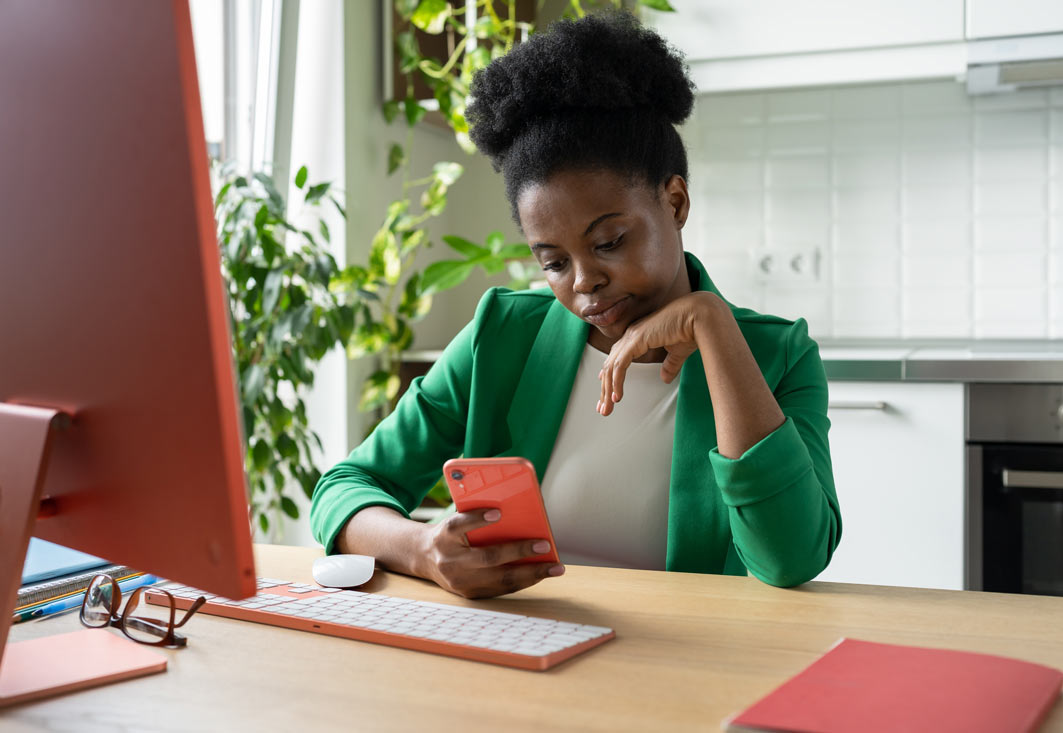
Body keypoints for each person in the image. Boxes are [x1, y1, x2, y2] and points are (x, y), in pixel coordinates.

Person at [310, 11, 841, 599]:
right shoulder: (503, 335)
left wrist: (711, 324)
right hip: (526, 657)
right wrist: (422, 548)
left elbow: (792, 558)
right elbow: (347, 485)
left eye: (609, 242)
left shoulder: (776, 354)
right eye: (553, 262)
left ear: (675, 200)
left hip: (691, 671)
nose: (585, 282)